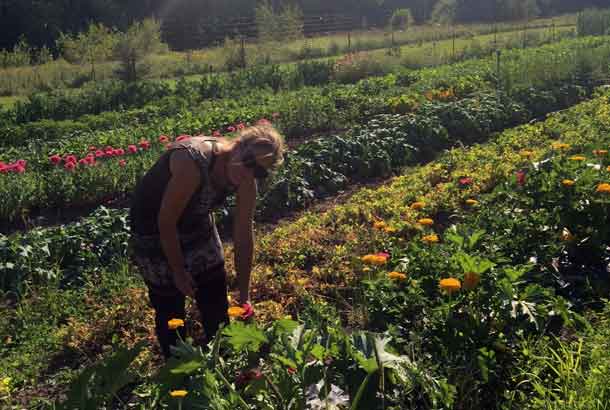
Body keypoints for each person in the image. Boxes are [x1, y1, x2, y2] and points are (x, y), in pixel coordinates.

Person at [129, 125, 285, 358]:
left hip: (196, 221)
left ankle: (222, 361)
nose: (249, 171)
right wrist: (179, 271)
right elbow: (166, 221)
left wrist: (245, 296)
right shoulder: (193, 161)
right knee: (171, 307)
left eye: (259, 172)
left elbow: (243, 235)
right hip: (153, 229)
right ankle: (178, 371)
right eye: (248, 160)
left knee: (214, 291)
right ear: (237, 145)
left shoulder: (246, 180)